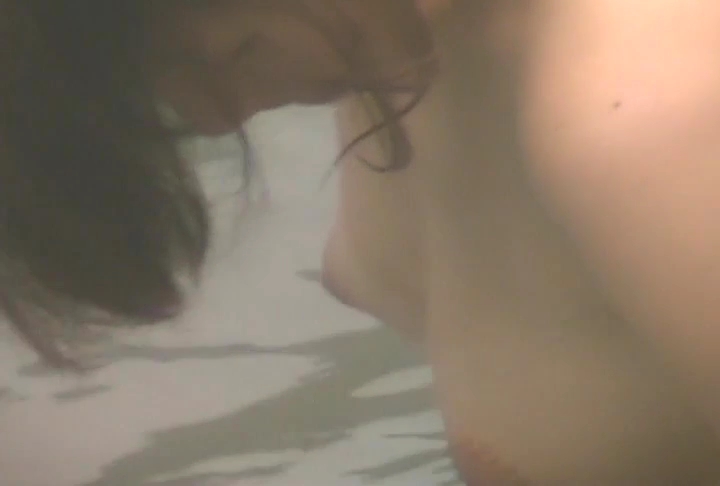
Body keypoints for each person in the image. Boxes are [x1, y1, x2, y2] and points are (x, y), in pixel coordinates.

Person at [3, 0, 720, 483]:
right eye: (152, 94)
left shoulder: (652, 126)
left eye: (191, 56)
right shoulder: (387, 44)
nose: (216, 118)